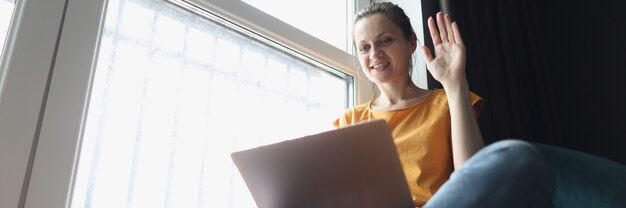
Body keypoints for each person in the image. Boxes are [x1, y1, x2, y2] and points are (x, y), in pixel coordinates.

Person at [333, 2, 555, 207]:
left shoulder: (446, 101)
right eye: (364, 47)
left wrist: (455, 82)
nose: (375, 53)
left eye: (385, 40)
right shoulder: (350, 121)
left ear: (411, 42)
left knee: (518, 155)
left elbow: (474, 180)